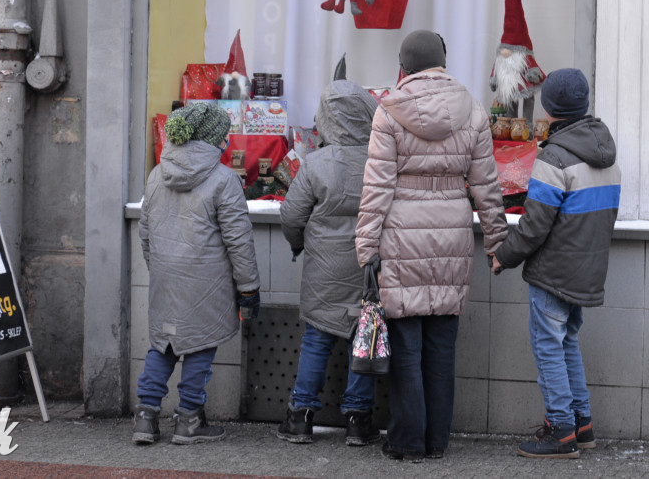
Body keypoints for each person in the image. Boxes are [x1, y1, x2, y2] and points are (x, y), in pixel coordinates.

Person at [356, 29, 508, 462]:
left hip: (402, 238)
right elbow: (487, 188)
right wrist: (496, 243)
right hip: (452, 237)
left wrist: (366, 249)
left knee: (406, 347)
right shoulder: (474, 111)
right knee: (441, 346)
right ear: (443, 60)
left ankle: (407, 442)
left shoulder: (389, 111)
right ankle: (437, 440)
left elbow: (376, 189)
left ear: (403, 65)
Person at [490, 68, 621, 459]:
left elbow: (533, 227)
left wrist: (503, 257)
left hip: (553, 273)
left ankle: (560, 430)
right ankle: (581, 425)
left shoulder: (556, 156)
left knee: (549, 347)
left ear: (550, 108)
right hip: (586, 270)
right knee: (567, 345)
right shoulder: (606, 154)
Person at [133, 102, 261, 445]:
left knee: (163, 344)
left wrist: (159, 267)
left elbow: (145, 232)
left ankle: (145, 416)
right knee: (200, 345)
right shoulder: (223, 179)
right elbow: (239, 240)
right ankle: (189, 419)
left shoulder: (157, 174)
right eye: (223, 135)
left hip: (165, 275)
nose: (226, 141)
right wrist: (248, 288)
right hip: (207, 281)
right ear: (212, 139)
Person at [276, 79, 382, 446]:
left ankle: (301, 417)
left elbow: (291, 216)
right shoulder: (381, 162)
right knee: (362, 340)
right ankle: (357, 419)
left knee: (317, 341)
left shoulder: (315, 163)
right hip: (368, 269)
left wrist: (298, 245)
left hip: (323, 268)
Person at [489, 0, 546, 122]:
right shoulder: (502, 58)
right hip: (510, 85)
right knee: (509, 101)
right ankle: (510, 123)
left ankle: (527, 125)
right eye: (505, 48)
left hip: (525, 82)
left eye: (510, 48)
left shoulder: (524, 56)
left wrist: (534, 72)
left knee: (529, 100)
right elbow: (496, 69)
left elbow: (532, 65)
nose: (506, 52)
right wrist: (494, 79)